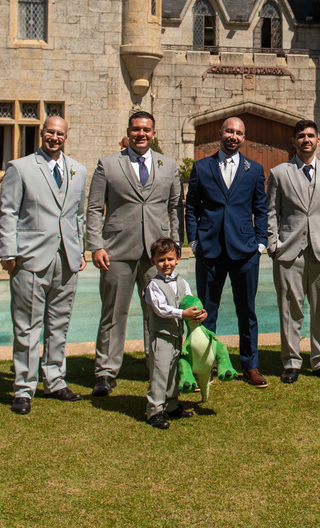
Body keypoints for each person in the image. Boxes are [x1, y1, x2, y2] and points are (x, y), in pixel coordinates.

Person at [87, 111, 183, 396]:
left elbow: (176, 207)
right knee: (113, 313)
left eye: (146, 130)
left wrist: (175, 246)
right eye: (136, 130)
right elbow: (94, 209)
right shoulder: (108, 164)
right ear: (128, 132)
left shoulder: (168, 165)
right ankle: (106, 370)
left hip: (157, 254)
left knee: (157, 312)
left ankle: (157, 365)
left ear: (154, 134)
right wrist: (96, 244)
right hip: (117, 250)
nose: (141, 134)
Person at [0, 116, 88, 414]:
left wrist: (80, 249)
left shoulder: (78, 170)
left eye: (60, 133)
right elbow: (8, 212)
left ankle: (55, 379)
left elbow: (77, 215)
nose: (55, 137)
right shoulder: (20, 168)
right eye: (50, 132)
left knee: (59, 325)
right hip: (30, 258)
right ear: (41, 133)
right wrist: (8, 253)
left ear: (66, 136)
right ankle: (24, 387)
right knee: (27, 326)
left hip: (67, 258)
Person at [184, 117, 269, 388]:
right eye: (229, 131)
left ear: (244, 138)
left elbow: (261, 208)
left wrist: (260, 242)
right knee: (207, 310)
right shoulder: (201, 167)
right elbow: (191, 208)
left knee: (248, 310)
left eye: (239, 133)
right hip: (210, 249)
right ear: (220, 133)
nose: (233, 136)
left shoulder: (254, 169)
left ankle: (250, 365)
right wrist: (194, 241)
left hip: (245, 251)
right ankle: (205, 365)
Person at [266, 119, 320, 383]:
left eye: (311, 135)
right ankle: (291, 361)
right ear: (294, 141)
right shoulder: (279, 173)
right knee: (290, 309)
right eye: (301, 136)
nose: (306, 140)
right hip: (290, 252)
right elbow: (271, 212)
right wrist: (273, 244)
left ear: (318, 140)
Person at [143, 237, 206, 429]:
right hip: (161, 336)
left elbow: (189, 301)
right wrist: (182, 313)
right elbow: (161, 309)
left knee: (173, 372)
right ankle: (155, 409)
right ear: (153, 261)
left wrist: (200, 312)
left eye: (170, 259)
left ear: (178, 259)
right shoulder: (153, 285)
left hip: (177, 336)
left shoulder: (182, 282)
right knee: (160, 373)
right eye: (161, 260)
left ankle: (171, 405)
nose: (166, 264)